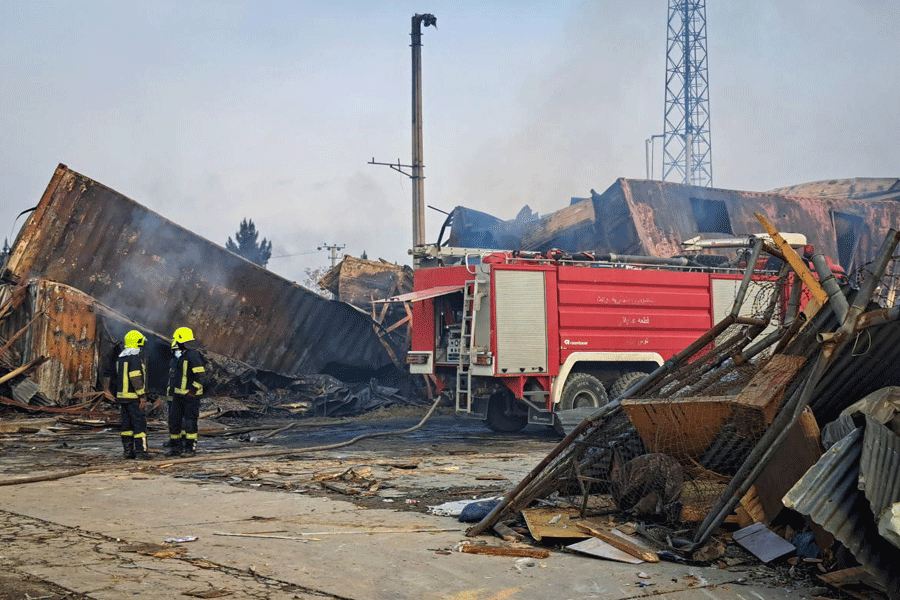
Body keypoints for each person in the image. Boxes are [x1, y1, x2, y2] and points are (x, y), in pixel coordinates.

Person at [166, 326, 207, 458]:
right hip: (178, 396)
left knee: (189, 423)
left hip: (190, 397)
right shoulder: (178, 358)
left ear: (182, 341)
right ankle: (175, 448)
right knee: (174, 421)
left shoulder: (193, 355)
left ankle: (190, 448)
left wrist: (193, 391)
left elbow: (200, 375)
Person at [115, 330, 152, 460]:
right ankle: (141, 452)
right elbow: (135, 378)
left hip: (122, 398)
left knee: (126, 425)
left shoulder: (121, 358)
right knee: (139, 424)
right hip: (133, 398)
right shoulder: (135, 359)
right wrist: (142, 395)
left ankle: (128, 452)